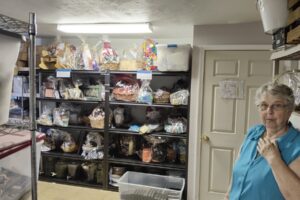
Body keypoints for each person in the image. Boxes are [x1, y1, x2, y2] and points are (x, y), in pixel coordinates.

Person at [226, 82, 300, 200]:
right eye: (264, 106)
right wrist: (228, 195)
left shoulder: (297, 145)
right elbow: (237, 173)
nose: (269, 111)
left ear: (289, 110)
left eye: (277, 105)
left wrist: (274, 160)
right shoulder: (253, 133)